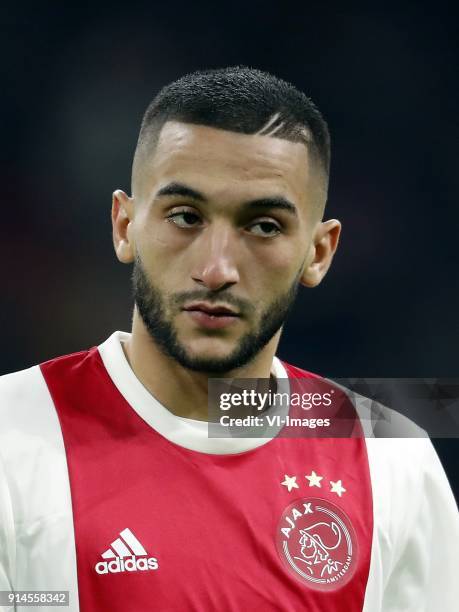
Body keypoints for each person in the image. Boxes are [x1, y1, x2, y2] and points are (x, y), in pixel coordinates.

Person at [0, 66, 457, 612]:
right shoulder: (11, 438)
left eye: (263, 225)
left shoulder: (391, 460)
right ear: (125, 225)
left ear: (319, 252)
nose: (216, 269)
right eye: (185, 216)